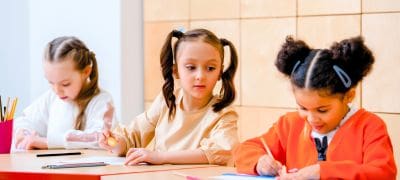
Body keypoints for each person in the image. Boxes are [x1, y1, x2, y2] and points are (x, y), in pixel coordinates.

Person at [233, 36, 397, 179]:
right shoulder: (290, 124)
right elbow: (245, 150)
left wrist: (322, 172)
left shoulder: (369, 126)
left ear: (349, 96)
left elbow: (383, 173)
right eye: (303, 108)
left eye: (322, 110)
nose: (311, 119)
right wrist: (260, 161)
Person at [99, 28, 239, 166]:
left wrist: (161, 157)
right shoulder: (167, 101)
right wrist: (114, 142)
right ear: (176, 71)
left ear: (220, 72)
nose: (200, 76)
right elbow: (132, 137)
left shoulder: (224, 114)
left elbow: (223, 151)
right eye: (191, 67)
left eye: (210, 68)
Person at [13, 36, 115, 150]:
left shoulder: (102, 101)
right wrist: (24, 133)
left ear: (86, 72)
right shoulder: (51, 97)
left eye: (65, 84)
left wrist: (48, 142)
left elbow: (101, 138)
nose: (57, 90)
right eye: (51, 82)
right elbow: (25, 120)